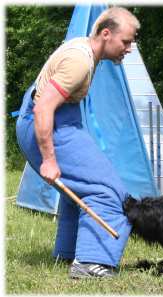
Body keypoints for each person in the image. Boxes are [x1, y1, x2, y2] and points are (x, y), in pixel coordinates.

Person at [16, 7, 140, 279]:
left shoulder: (84, 49)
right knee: (107, 192)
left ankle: (69, 254)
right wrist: (49, 159)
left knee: (85, 188)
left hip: (58, 120)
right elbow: (43, 107)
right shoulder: (79, 60)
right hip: (46, 121)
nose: (129, 48)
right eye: (126, 41)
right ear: (106, 34)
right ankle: (91, 263)